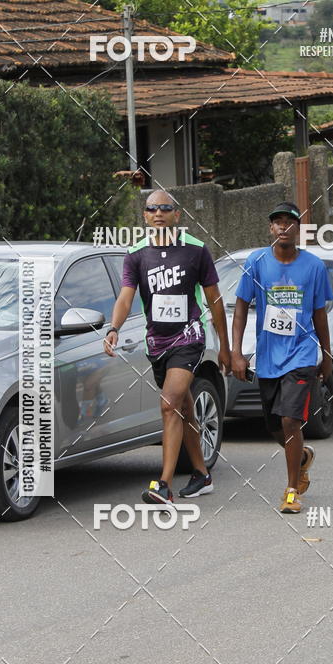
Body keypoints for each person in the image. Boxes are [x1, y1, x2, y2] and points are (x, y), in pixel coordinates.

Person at [104, 190, 231, 503]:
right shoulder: (136, 254)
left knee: (169, 403)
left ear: (178, 215)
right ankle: (201, 475)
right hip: (157, 342)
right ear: (145, 216)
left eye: (165, 208)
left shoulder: (196, 250)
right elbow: (125, 297)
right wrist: (113, 328)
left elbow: (214, 300)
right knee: (184, 407)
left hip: (189, 337)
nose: (158, 213)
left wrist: (226, 347)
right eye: (152, 208)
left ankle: (163, 485)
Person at [231, 202, 333, 514]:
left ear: (298, 229)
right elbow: (239, 307)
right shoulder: (257, 262)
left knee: (291, 419)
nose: (283, 227)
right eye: (277, 222)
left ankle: (291, 490)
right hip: (268, 356)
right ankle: (301, 459)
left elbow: (319, 314)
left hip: (301, 352)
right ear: (270, 228)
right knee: (276, 425)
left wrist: (325, 355)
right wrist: (236, 352)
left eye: (290, 222)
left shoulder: (314, 266)